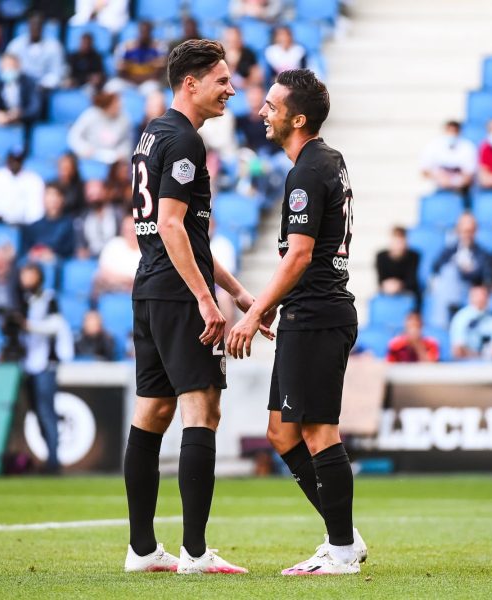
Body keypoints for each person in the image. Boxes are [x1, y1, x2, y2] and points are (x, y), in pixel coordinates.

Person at [226, 68, 366, 575]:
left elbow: (300, 254)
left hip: (317, 313)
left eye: (273, 105)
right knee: (281, 433)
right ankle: (342, 530)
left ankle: (342, 548)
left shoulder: (308, 169)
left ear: (297, 118)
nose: (263, 112)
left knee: (317, 431)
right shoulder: (325, 160)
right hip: (307, 314)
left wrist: (253, 312)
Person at [122, 39, 254, 575]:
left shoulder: (153, 131)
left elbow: (175, 233)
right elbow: (175, 225)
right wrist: (207, 299)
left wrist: (238, 290)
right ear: (190, 83)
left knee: (152, 411)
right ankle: (195, 553)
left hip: (150, 286)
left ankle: (140, 549)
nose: (232, 88)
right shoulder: (185, 142)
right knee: (203, 410)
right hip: (179, 294)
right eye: (222, 79)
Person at [17, 263, 74, 474]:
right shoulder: (23, 300)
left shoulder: (49, 298)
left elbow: (56, 325)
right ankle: (48, 456)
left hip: (45, 364)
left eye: (30, 274)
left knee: (46, 411)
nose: (26, 280)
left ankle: (53, 461)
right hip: (28, 363)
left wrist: (28, 325)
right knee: (37, 412)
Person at [430, 213, 492, 325]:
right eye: (464, 231)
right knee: (449, 272)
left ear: (475, 231)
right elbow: (435, 267)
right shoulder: (449, 251)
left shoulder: (483, 254)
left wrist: (467, 271)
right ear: (458, 231)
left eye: (470, 231)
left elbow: (484, 276)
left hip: (470, 295)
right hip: (448, 295)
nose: (467, 235)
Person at [0, 148, 45, 225]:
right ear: (7, 160)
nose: (15, 163)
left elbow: (36, 213)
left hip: (23, 226)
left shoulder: (34, 180)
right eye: (12, 160)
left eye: (18, 160)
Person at [67, 91, 133, 164]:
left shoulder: (124, 118)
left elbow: (127, 142)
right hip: (89, 158)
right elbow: (74, 136)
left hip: (114, 161)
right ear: (107, 104)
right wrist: (84, 149)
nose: (119, 106)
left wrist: (121, 154)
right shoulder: (90, 115)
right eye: (115, 103)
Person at [5, 13, 66, 91]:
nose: (35, 28)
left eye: (38, 25)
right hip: (20, 87)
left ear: (43, 27)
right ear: (28, 25)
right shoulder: (15, 45)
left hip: (44, 89)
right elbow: (7, 67)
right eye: (33, 24)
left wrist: (43, 84)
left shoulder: (54, 47)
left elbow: (57, 72)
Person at [449, 285, 492, 361]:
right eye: (475, 296)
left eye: (482, 295)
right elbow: (457, 349)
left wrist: (484, 357)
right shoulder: (460, 317)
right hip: (466, 364)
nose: (479, 299)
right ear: (469, 298)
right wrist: (476, 357)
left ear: (488, 298)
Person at [421, 120, 477, 197]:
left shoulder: (468, 147)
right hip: (437, 189)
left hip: (460, 191)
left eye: (454, 131)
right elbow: (424, 171)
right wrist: (439, 178)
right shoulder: (433, 146)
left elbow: (469, 175)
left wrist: (454, 182)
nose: (452, 134)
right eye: (449, 131)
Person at [22, 184, 76, 263]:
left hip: (57, 262)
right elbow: (27, 248)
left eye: (56, 195)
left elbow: (68, 249)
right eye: (49, 195)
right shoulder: (34, 226)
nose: (52, 199)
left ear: (62, 199)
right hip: (35, 261)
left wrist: (51, 253)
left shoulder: (69, 224)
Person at [110, 20, 168, 93]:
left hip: (148, 82)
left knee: (152, 88)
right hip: (129, 81)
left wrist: (142, 79)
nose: (143, 35)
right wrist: (133, 80)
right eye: (141, 32)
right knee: (112, 86)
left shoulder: (159, 47)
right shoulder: (126, 47)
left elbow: (159, 72)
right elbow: (120, 71)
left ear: (150, 32)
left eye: (146, 32)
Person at [93, 214, 141, 295]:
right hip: (111, 292)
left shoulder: (146, 250)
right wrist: (126, 280)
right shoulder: (113, 245)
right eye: (127, 230)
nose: (131, 234)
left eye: (133, 230)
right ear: (122, 231)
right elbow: (102, 272)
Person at [0, 54, 42, 126]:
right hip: (2, 122)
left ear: (18, 66)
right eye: (4, 67)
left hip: (25, 123)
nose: (7, 70)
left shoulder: (29, 82)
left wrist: (19, 114)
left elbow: (34, 109)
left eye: (11, 67)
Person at [375, 226, 421, 305]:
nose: (398, 246)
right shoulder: (381, 256)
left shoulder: (413, 256)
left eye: (401, 242)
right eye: (396, 242)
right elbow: (380, 280)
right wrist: (387, 286)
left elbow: (413, 281)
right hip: (387, 290)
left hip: (408, 292)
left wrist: (399, 285)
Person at [75, 179, 119, 257]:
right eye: (90, 194)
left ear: (105, 191)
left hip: (115, 256)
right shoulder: (82, 217)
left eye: (97, 192)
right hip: (90, 258)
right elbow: (80, 245)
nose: (94, 196)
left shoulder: (118, 214)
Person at [222, 25, 262, 90]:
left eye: (235, 39)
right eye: (230, 40)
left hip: (246, 89)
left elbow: (257, 76)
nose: (233, 41)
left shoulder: (248, 53)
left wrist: (246, 83)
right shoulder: (220, 55)